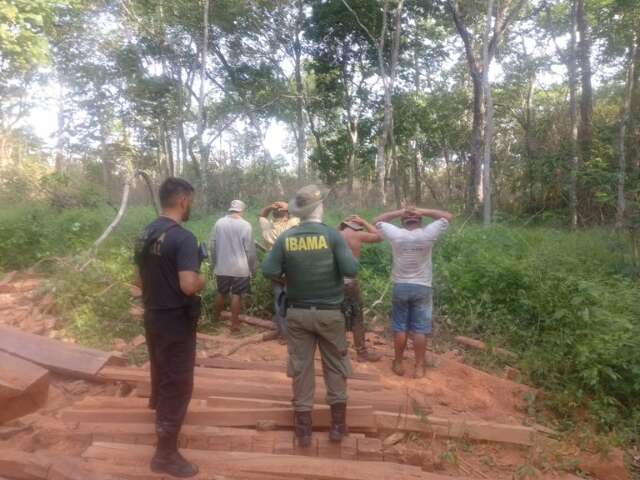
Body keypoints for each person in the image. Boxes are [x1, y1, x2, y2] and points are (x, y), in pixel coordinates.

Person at [262, 185, 358, 448]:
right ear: (319, 207)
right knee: (335, 367)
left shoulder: (287, 238)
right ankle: (337, 427)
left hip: (297, 314)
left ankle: (303, 431)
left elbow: (268, 269)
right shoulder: (332, 236)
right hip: (330, 315)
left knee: (301, 368)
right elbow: (351, 269)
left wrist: (286, 277)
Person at [133, 177, 205, 478]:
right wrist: (203, 279)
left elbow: (137, 281)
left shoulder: (144, 233)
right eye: (191, 201)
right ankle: (165, 455)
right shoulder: (183, 238)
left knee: (163, 379)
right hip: (175, 321)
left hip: (153, 317)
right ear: (183, 200)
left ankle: (164, 436)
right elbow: (189, 285)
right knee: (178, 385)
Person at [373, 206, 453, 379]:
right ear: (419, 221)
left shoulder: (396, 234)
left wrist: (398, 212)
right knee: (420, 330)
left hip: (401, 286)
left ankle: (399, 363)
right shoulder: (427, 234)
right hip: (422, 287)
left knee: (400, 327)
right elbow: (448, 216)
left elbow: (377, 221)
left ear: (403, 222)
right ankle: (418, 367)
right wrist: (422, 210)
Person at [339, 215, 383, 362]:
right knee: (357, 317)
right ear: (356, 226)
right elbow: (379, 236)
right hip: (350, 282)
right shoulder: (357, 234)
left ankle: (339, 351)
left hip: (334, 282)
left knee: (337, 316)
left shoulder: (334, 235)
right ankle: (361, 353)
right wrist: (364, 220)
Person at [210, 199, 256, 333]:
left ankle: (215, 319)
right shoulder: (246, 225)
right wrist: (252, 268)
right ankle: (234, 325)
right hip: (240, 268)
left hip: (222, 266)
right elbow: (250, 251)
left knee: (221, 292)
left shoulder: (219, 223)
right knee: (237, 295)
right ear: (242, 210)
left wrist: (214, 264)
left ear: (231, 209)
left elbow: (212, 245)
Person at [258, 201, 300, 340]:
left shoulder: (268, 228)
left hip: (274, 268)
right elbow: (301, 215)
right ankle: (296, 332)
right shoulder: (291, 226)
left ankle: (283, 333)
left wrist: (270, 206)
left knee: (278, 298)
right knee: (293, 298)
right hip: (290, 265)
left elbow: (261, 215)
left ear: (274, 216)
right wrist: (289, 207)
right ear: (286, 216)